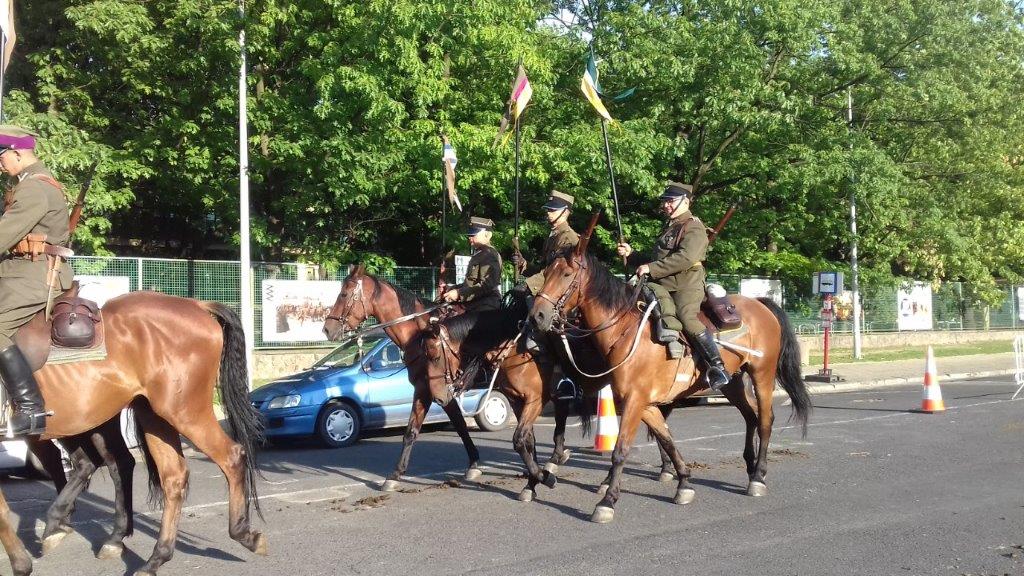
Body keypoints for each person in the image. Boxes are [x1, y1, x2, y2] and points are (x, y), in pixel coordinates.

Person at [616, 181, 729, 390]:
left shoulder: (693, 226)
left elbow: (686, 258)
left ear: (685, 201)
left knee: (687, 318)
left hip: (686, 284)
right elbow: (656, 260)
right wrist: (632, 255)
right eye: (665, 201)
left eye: (671, 201)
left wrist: (651, 269)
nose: (666, 205)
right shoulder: (670, 227)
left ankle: (717, 367)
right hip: (662, 284)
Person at [0, 125, 75, 436]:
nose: (0, 164)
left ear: (18, 153)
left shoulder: (33, 188)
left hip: (36, 274)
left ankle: (30, 407)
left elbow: (4, 235)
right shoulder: (29, 183)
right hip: (20, 270)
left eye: (2, 156)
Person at [511, 190, 580, 399]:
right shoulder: (553, 236)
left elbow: (558, 271)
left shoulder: (568, 238)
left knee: (548, 320)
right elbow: (545, 268)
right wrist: (525, 266)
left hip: (561, 293)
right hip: (549, 286)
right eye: (549, 210)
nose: (549, 214)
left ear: (565, 213)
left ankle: (567, 376)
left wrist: (529, 284)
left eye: (553, 210)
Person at [442, 216, 502, 312]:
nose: (470, 237)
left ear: (487, 235)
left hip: (486, 304)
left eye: (474, 234)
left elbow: (487, 286)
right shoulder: (480, 253)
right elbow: (470, 283)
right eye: (470, 234)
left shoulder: (489, 254)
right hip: (473, 302)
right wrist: (452, 289)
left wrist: (459, 293)